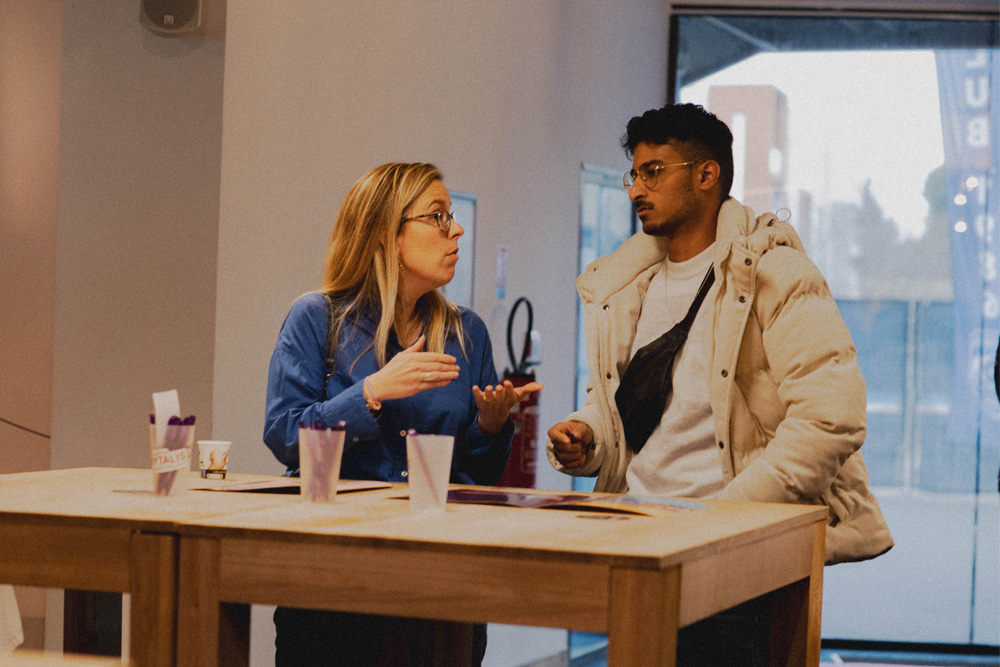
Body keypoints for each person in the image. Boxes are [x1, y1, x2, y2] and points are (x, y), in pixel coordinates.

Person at [546, 104, 893, 665]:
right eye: (632, 175)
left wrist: (724, 522)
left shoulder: (776, 276)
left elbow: (832, 420)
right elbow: (628, 412)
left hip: (736, 561)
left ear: (706, 175)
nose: (636, 188)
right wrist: (588, 434)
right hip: (641, 548)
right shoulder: (627, 287)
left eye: (653, 171)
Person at [264, 162, 541, 667]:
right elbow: (285, 436)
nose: (455, 229)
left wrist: (492, 425)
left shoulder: (467, 332)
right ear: (385, 233)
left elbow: (476, 473)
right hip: (333, 575)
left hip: (442, 576)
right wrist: (370, 391)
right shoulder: (318, 317)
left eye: (451, 216)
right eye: (437, 216)